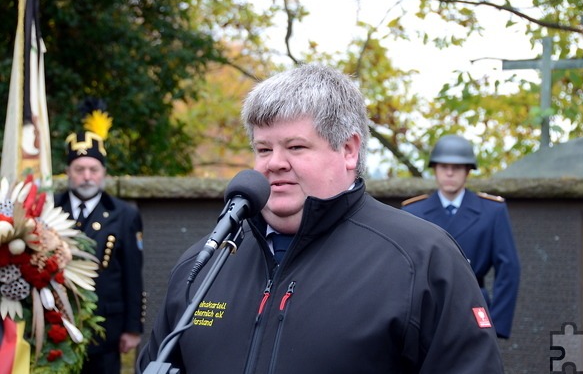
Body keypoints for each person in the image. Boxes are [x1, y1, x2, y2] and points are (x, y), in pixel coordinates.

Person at [137, 64, 504, 373]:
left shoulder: (423, 260)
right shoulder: (204, 263)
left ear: (348, 150)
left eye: (295, 146)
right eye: (263, 149)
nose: (274, 163)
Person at [402, 134, 520, 339]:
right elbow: (403, 269)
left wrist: (497, 323)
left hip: (474, 308)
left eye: (456, 167)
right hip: (425, 310)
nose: (449, 173)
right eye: (443, 166)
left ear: (467, 170)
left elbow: (509, 268)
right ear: (434, 169)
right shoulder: (413, 212)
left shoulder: (492, 211)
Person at [55, 119, 145, 374]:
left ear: (103, 172)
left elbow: (132, 274)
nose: (87, 177)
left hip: (106, 328)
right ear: (68, 171)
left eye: (93, 169)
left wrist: (132, 327)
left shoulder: (124, 214)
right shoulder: (49, 207)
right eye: (79, 169)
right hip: (56, 326)